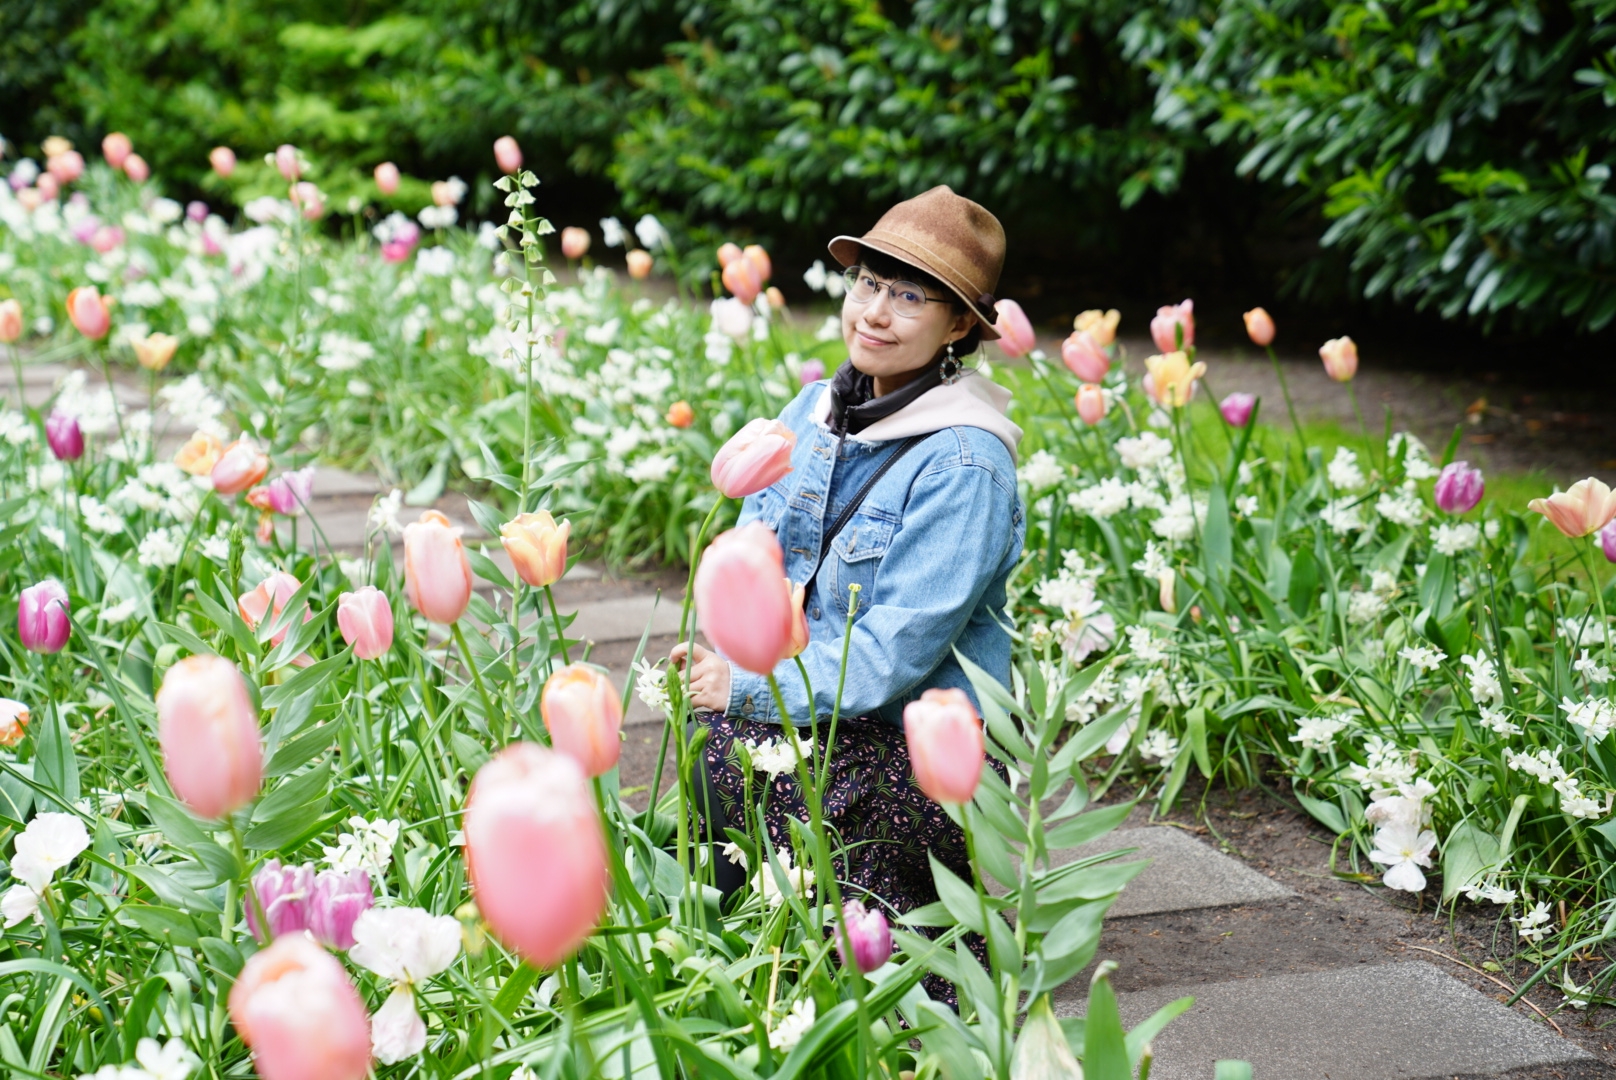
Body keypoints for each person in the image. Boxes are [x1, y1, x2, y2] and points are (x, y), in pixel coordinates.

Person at [670, 186, 1025, 998]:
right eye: (868, 283)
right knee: (710, 745)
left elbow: (896, 652)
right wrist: (725, 654)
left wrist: (752, 686)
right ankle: (761, 958)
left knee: (746, 754)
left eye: (909, 297)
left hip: (918, 737)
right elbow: (756, 556)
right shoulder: (814, 409)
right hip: (818, 700)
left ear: (961, 325)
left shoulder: (966, 461)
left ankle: (904, 971)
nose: (875, 311)